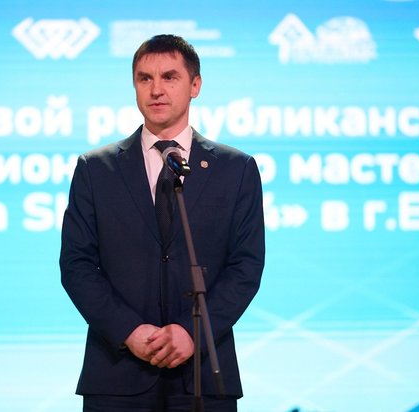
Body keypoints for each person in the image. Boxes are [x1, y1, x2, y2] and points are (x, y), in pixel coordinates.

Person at [60, 34, 265, 412]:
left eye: (170, 77)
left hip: (203, 376)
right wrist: (129, 331)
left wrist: (192, 332)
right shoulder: (96, 169)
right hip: (116, 377)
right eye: (145, 78)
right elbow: (77, 265)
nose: (156, 89)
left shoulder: (236, 170)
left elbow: (246, 267)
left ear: (195, 85)